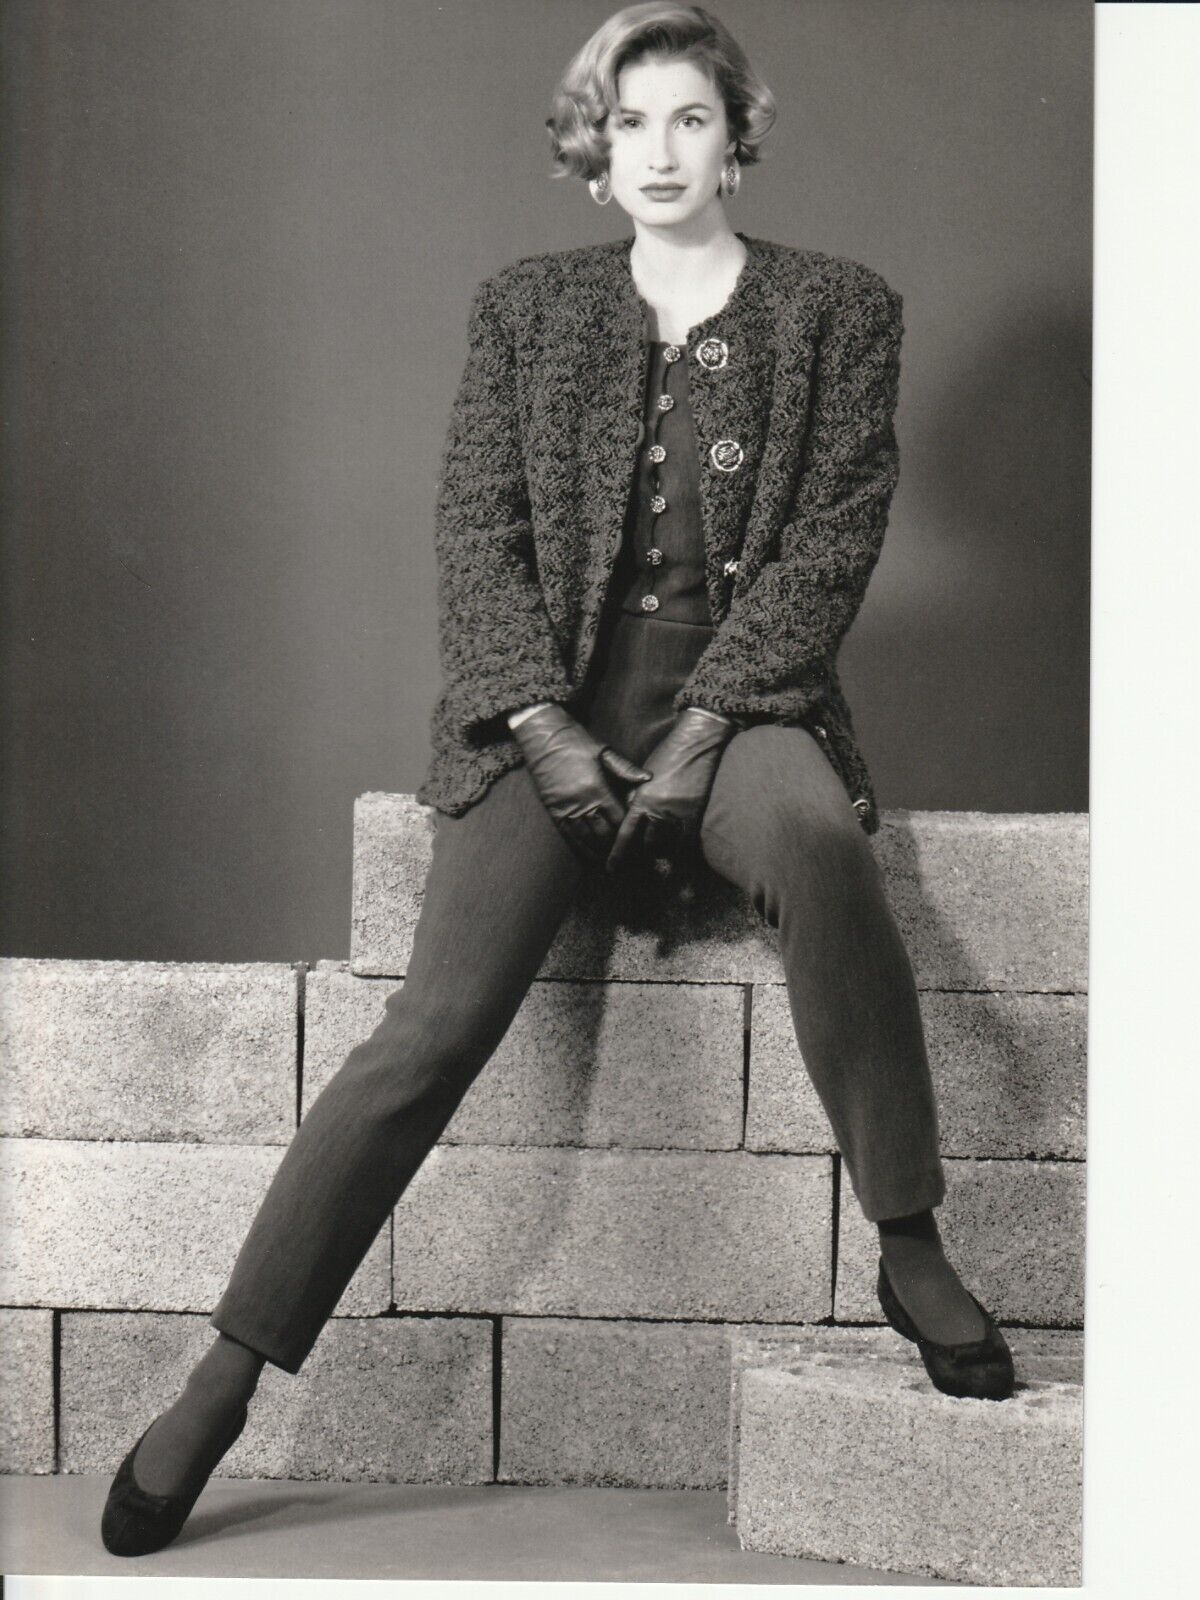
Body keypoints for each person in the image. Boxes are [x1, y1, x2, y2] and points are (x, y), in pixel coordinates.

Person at [101, 0, 1014, 1559]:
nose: (659, 151)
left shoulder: (838, 308)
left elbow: (830, 545)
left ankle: (909, 1239)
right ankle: (224, 1379)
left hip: (748, 703)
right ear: (594, 147)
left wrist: (708, 733)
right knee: (432, 1025)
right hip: (550, 710)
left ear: (737, 137)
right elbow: (478, 533)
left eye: (690, 118)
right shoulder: (527, 309)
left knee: (818, 845)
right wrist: (537, 726)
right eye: (630, 120)